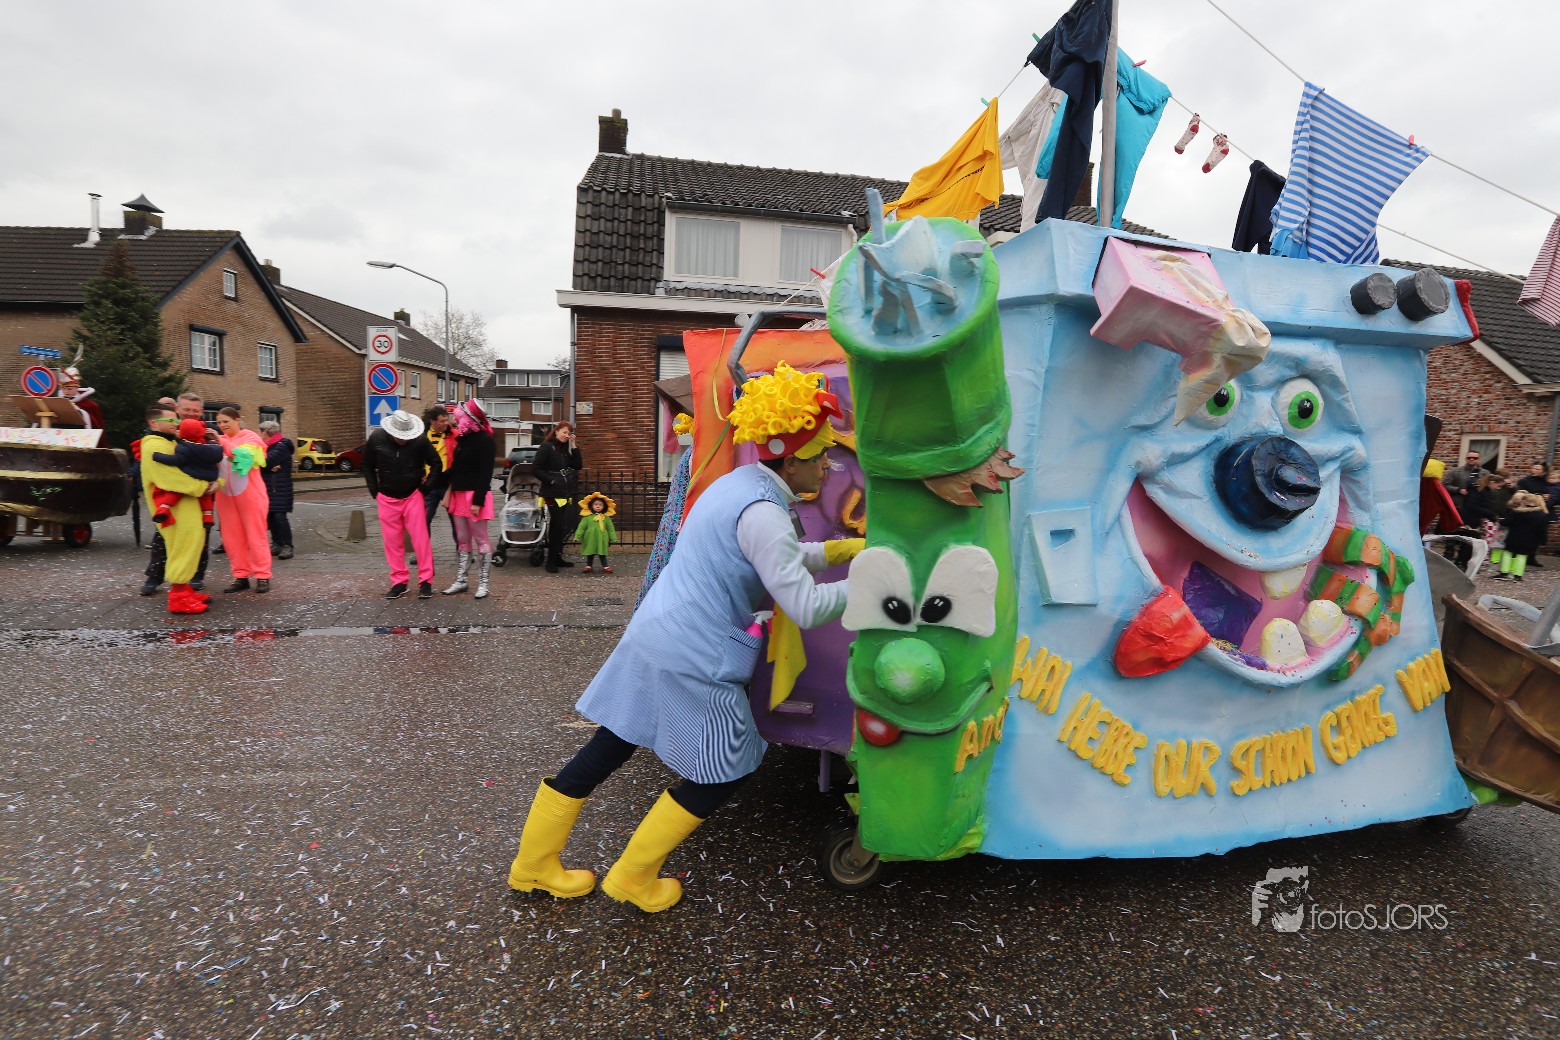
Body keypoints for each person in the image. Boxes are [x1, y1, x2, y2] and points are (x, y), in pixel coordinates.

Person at [505, 363, 864, 913]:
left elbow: (773, 557)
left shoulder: (738, 486)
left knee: (610, 745)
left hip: (655, 633)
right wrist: (869, 582)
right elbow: (805, 605)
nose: (828, 466)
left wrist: (841, 551)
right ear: (791, 461)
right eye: (820, 456)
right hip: (694, 651)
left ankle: (533, 864)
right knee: (727, 768)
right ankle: (633, 877)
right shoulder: (765, 512)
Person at [137, 405, 217, 614]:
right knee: (183, 546)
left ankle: (184, 588)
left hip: (185, 504)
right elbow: (170, 478)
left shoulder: (169, 442)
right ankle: (179, 597)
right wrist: (204, 486)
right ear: (154, 423)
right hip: (173, 509)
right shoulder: (154, 445)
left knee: (191, 544)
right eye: (171, 420)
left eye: (176, 420)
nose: (176, 424)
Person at [362, 409, 441, 600]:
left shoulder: (420, 440)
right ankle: (399, 581)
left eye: (407, 437)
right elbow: (367, 465)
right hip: (386, 497)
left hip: (413, 495)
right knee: (392, 542)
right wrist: (374, 491)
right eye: (400, 437)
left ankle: (426, 581)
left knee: (421, 540)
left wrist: (425, 489)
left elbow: (436, 463)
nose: (404, 440)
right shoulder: (376, 438)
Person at [441, 401, 500, 599]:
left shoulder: (485, 441)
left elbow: (486, 473)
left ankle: (483, 583)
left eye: (458, 417)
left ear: (469, 419)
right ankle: (461, 580)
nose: (455, 420)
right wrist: (433, 480)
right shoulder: (463, 440)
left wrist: (478, 500)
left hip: (474, 495)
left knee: (481, 539)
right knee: (462, 539)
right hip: (459, 494)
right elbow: (457, 469)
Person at [214, 407, 273, 593]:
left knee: (256, 536)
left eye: (226, 421)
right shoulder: (218, 440)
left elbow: (242, 456)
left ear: (237, 420)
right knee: (232, 538)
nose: (222, 425)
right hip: (225, 498)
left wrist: (220, 442)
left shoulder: (252, 438)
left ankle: (262, 576)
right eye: (219, 422)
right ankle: (240, 576)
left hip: (251, 497)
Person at [149, 418, 220, 527]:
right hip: (208, 476)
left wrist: (157, 456)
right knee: (206, 495)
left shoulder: (185, 447)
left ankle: (164, 508)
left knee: (176, 491)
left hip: (192, 473)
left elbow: (175, 460)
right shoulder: (212, 447)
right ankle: (208, 516)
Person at [534, 421, 582, 572]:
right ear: (556, 431)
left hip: (563, 492)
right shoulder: (547, 447)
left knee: (561, 527)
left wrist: (574, 445)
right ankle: (550, 562)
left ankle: (557, 558)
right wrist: (551, 480)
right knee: (556, 525)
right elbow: (536, 469)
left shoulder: (564, 450)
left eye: (569, 434)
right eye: (564, 432)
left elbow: (577, 465)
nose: (566, 435)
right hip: (551, 493)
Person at [259, 420, 295, 560]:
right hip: (271, 488)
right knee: (271, 516)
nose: (260, 434)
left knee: (279, 517)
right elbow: (264, 465)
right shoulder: (267, 447)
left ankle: (287, 545)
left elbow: (264, 462)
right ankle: (277, 543)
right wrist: (268, 469)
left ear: (268, 432)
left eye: (261, 431)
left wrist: (265, 467)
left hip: (279, 488)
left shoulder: (280, 447)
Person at [1496, 490, 1550, 581]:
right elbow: (1542, 530)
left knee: (1507, 553)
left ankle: (1504, 573)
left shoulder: (1517, 512)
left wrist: (1500, 520)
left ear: (1524, 502)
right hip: (1530, 540)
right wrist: (1543, 541)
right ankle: (1518, 575)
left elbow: (1506, 522)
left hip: (1514, 537)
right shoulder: (1541, 515)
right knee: (1522, 556)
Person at [421, 405, 455, 531]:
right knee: (424, 520)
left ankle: (460, 543)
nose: (446, 423)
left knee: (456, 521)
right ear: (432, 421)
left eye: (446, 420)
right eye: (442, 421)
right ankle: (424, 544)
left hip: (447, 484)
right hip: (428, 484)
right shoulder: (422, 436)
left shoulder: (454, 435)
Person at [573, 492, 618, 573]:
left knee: (602, 553)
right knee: (590, 552)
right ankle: (589, 566)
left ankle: (605, 566)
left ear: (604, 506)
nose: (598, 506)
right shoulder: (587, 517)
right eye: (595, 504)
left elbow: (610, 529)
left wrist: (613, 538)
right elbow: (581, 528)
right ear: (591, 505)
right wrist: (577, 536)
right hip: (590, 538)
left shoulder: (606, 518)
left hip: (601, 538)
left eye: (600, 505)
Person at [56, 366, 106, 438]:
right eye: (63, 389)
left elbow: (97, 426)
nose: (66, 392)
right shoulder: (57, 402)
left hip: (80, 436)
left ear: (76, 388)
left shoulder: (90, 405)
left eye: (69, 389)